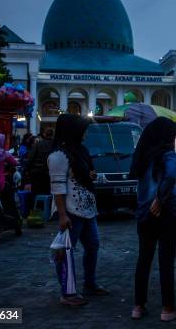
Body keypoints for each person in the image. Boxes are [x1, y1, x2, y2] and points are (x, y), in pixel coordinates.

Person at [130, 117, 176, 321]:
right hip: (165, 212)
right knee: (166, 261)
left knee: (143, 260)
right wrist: (161, 199)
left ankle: (138, 306)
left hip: (144, 213)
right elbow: (171, 175)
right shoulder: (167, 153)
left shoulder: (143, 155)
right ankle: (168, 309)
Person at [48, 114, 109, 307]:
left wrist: (89, 174)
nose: (85, 134)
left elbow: (81, 175)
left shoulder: (79, 151)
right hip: (71, 211)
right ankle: (67, 292)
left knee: (92, 246)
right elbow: (57, 188)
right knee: (65, 251)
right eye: (82, 130)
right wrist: (63, 215)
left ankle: (89, 284)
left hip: (87, 209)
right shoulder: (58, 156)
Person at [26, 128, 54, 199]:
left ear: (44, 134)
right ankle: (47, 207)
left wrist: (27, 170)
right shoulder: (55, 145)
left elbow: (30, 158)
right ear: (53, 134)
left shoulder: (38, 144)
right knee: (48, 192)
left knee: (35, 193)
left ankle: (35, 208)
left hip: (37, 172)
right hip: (50, 173)